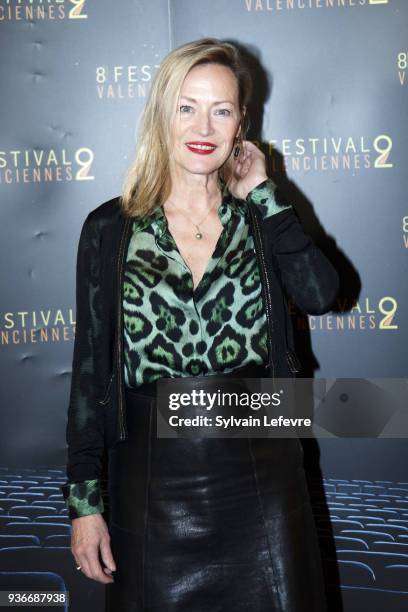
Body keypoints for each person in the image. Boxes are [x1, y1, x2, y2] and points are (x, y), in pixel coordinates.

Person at [61, 38, 339, 611]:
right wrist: (85, 504)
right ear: (162, 113)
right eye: (186, 106)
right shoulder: (110, 230)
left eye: (222, 109)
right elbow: (89, 376)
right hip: (152, 488)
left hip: (265, 482)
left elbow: (322, 294)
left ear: (242, 124)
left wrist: (264, 194)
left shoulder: (261, 220)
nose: (202, 125)